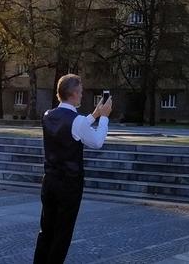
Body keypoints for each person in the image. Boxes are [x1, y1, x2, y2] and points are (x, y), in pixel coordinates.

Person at [33, 74, 112, 264]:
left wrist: (95, 114)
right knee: (62, 234)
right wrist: (104, 118)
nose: (82, 95)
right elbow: (96, 141)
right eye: (82, 92)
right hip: (68, 184)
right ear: (75, 94)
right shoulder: (76, 121)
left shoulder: (47, 115)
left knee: (46, 231)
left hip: (49, 181)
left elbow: (75, 126)